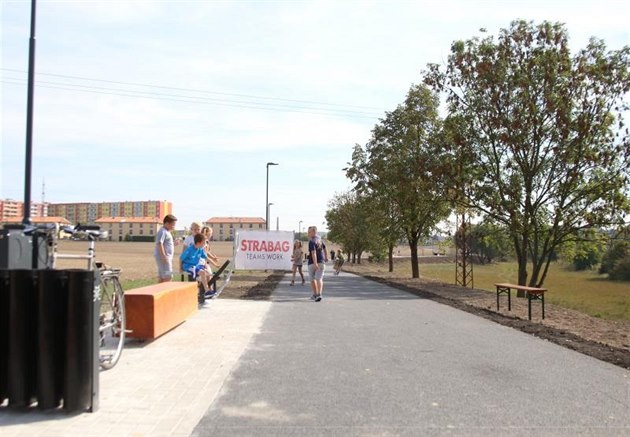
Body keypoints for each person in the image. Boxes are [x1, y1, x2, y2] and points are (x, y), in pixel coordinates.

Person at [154, 214, 177, 283]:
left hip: (165, 257)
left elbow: (165, 244)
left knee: (162, 276)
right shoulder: (162, 231)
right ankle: (167, 292)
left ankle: (158, 292)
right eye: (173, 224)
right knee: (168, 276)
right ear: (167, 223)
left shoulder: (167, 232)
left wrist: (173, 243)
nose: (174, 227)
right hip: (164, 257)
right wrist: (163, 256)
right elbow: (159, 243)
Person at [307, 226, 328, 302]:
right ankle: (317, 294)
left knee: (313, 279)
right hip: (321, 262)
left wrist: (315, 263)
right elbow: (325, 249)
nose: (308, 233)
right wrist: (326, 257)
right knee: (317, 278)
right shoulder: (320, 240)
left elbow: (313, 253)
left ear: (314, 232)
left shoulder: (312, 241)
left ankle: (317, 294)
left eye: (309, 232)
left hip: (313, 263)